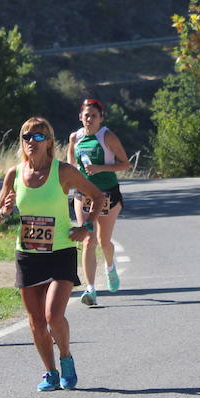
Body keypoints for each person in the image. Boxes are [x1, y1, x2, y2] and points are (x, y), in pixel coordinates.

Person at [0, 117, 105, 391]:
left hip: (60, 252)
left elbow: (97, 196)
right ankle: (50, 373)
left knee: (53, 316)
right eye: (27, 136)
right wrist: (4, 212)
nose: (32, 141)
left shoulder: (63, 172)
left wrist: (87, 226)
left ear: (49, 142)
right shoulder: (14, 174)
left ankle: (66, 358)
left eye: (39, 136)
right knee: (36, 322)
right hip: (28, 255)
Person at [66, 97, 130, 306]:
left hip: (108, 194)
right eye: (86, 115)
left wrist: (100, 168)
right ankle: (90, 289)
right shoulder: (75, 138)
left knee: (104, 241)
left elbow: (125, 164)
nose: (90, 119)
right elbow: (70, 165)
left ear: (101, 118)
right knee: (88, 239)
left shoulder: (107, 137)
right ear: (80, 117)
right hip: (83, 195)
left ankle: (110, 266)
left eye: (94, 116)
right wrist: (72, 177)